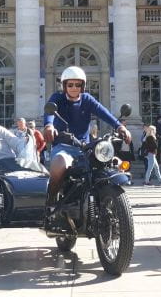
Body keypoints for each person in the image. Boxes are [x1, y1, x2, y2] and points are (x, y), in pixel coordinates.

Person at [42, 66, 131, 211]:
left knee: (114, 163)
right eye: (70, 84)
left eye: (78, 84)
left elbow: (103, 112)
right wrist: (49, 126)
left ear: (82, 86)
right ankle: (51, 201)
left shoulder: (87, 99)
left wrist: (119, 126)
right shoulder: (57, 98)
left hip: (85, 148)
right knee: (59, 164)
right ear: (64, 85)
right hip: (64, 146)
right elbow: (49, 114)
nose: (74, 88)